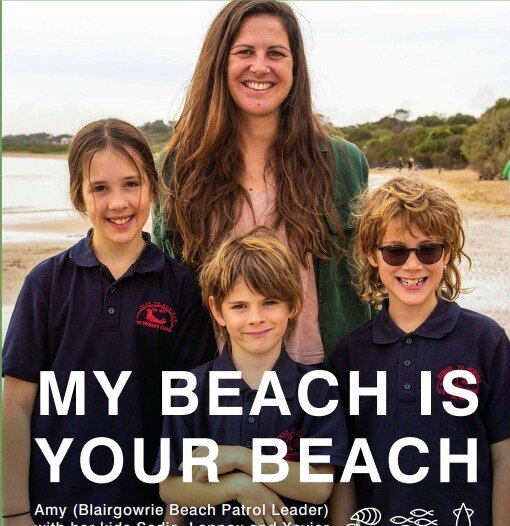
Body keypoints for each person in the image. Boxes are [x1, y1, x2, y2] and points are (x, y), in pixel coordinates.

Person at [2, 118, 216, 526]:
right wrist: (15, 519)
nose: (118, 202)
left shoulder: (181, 287)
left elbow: (190, 416)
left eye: (131, 184)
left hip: (145, 521)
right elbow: (15, 406)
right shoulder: (46, 284)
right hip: (55, 521)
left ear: (152, 186)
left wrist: (173, 525)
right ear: (79, 195)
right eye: (100, 188)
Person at [152, 0, 371, 369]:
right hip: (213, 384)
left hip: (322, 379)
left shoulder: (343, 163)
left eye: (275, 53)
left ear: (294, 66)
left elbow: (369, 284)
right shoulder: (177, 169)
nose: (260, 66)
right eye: (244, 52)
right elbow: (164, 287)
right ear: (219, 62)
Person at [329, 175, 510, 526]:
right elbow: (345, 473)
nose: (412, 265)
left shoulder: (487, 341)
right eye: (395, 252)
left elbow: (507, 458)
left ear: (446, 254)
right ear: (371, 254)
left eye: (428, 250)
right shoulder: (351, 353)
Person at [158, 228, 349, 526]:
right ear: (218, 311)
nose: (256, 318)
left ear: (293, 305)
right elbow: (172, 487)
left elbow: (318, 487)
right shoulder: (191, 388)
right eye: (240, 306)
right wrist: (240, 486)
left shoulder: (317, 390)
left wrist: (239, 458)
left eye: (269, 302)